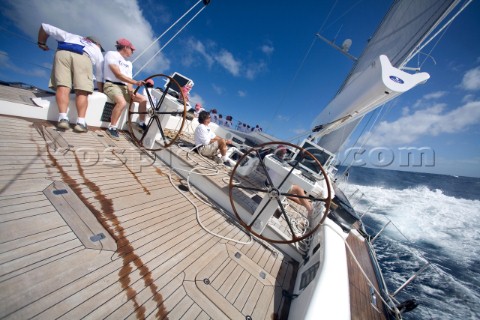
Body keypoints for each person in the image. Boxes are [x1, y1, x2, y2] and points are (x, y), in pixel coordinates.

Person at [37, 23, 105, 133]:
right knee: (82, 91)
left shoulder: (70, 36)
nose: (100, 50)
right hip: (84, 57)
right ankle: (81, 122)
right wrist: (101, 90)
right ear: (97, 44)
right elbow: (99, 74)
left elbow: (44, 27)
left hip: (62, 53)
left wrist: (41, 43)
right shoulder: (96, 50)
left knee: (63, 86)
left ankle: (63, 118)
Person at [103, 38, 146, 140]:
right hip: (111, 85)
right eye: (132, 49)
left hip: (124, 87)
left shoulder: (129, 64)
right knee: (122, 102)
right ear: (126, 47)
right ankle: (112, 127)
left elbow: (128, 80)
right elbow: (117, 74)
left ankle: (141, 123)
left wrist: (131, 91)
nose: (133, 51)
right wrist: (136, 82)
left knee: (143, 99)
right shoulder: (111, 54)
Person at [269, 145, 313, 219]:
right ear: (282, 153)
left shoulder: (274, 158)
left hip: (271, 181)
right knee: (299, 189)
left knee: (295, 194)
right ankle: (310, 210)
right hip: (275, 185)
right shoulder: (282, 162)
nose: (286, 153)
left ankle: (307, 203)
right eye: (285, 152)